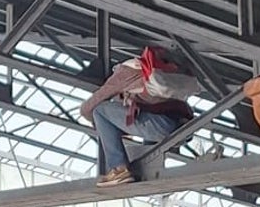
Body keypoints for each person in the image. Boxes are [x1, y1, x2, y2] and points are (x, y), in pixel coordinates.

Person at [80, 47, 196, 187]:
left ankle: (118, 169)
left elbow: (89, 107)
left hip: (160, 126)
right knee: (141, 112)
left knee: (99, 111)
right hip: (183, 128)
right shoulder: (154, 71)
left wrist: (98, 122)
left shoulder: (125, 71)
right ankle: (152, 166)